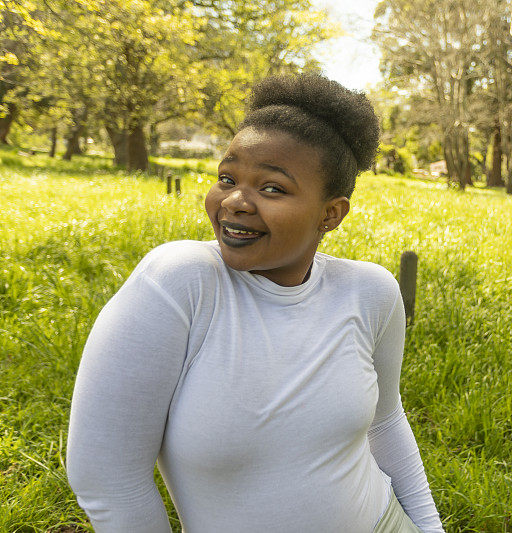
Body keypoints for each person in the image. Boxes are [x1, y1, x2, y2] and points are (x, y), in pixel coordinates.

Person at [66, 73, 445, 533]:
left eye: (272, 188)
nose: (235, 201)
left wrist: (428, 527)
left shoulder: (370, 292)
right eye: (227, 178)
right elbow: (108, 481)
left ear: (331, 214)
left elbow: (385, 423)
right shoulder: (180, 282)